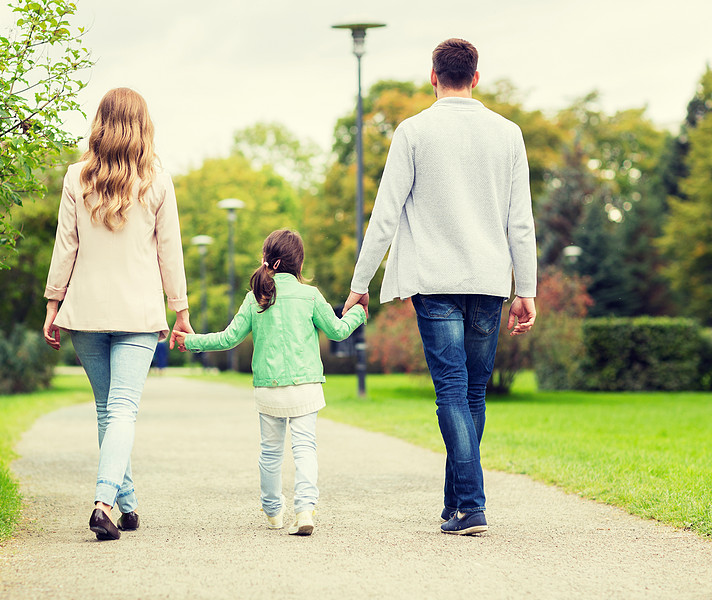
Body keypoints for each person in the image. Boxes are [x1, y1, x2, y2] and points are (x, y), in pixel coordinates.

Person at [343, 39, 537, 536]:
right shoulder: (508, 134)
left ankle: (470, 505)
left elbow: (384, 215)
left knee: (452, 389)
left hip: (435, 280)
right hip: (490, 280)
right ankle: (458, 505)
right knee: (472, 393)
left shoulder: (413, 132)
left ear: (433, 75)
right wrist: (526, 289)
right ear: (476, 76)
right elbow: (521, 222)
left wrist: (360, 284)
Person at [42, 87, 192, 541]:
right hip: (138, 314)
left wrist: (53, 304)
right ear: (143, 126)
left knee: (109, 411)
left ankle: (127, 505)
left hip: (85, 311)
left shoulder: (75, 178)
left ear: (100, 123)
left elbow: (65, 246)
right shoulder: (158, 180)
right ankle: (104, 502)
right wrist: (179, 309)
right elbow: (171, 252)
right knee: (122, 409)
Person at [173, 230, 366, 536]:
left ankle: (273, 512)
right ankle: (304, 510)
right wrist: (358, 313)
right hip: (306, 387)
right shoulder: (311, 295)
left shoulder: (256, 298)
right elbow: (339, 331)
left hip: (269, 389)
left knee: (270, 453)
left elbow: (228, 338)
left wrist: (191, 341)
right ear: (299, 263)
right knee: (305, 449)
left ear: (268, 260)